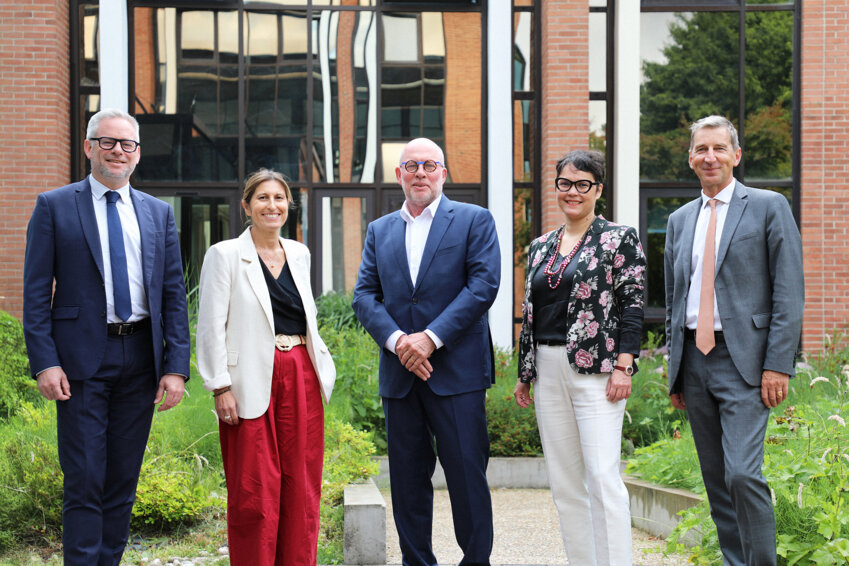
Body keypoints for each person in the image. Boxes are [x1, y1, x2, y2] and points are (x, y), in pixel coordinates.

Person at [22, 108, 190, 565]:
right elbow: (36, 293)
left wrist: (176, 367)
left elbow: (173, 295)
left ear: (138, 154)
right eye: (108, 141)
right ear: (89, 147)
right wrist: (45, 361)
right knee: (84, 477)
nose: (118, 151)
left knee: (121, 478)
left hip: (140, 358)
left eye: (128, 144)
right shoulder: (54, 205)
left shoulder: (158, 214)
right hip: (79, 363)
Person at [352, 138, 500, 566]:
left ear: (443, 173)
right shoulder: (380, 229)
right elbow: (365, 295)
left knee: (467, 477)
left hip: (456, 373)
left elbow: (482, 286)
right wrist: (400, 342)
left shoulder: (474, 220)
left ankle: (476, 561)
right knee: (407, 481)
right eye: (411, 165)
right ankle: (416, 562)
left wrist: (430, 338)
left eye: (429, 165)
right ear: (399, 175)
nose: (420, 173)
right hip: (401, 375)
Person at [664, 116, 804, 566]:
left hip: (745, 362)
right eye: (701, 149)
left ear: (736, 155)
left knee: (743, 474)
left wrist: (778, 363)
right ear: (690, 158)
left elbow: (788, 290)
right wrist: (677, 373)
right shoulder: (679, 220)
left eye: (719, 148)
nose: (710, 157)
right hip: (695, 361)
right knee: (717, 479)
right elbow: (674, 297)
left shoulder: (768, 206)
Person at [196, 168, 336, 566]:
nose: (271, 205)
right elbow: (210, 326)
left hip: (301, 374)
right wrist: (220, 386)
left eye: (279, 198)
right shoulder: (224, 255)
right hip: (248, 381)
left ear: (288, 206)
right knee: (254, 491)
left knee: (302, 487)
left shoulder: (300, 253)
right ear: (246, 205)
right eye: (262, 198)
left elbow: (306, 316)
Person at [513, 149, 646, 566]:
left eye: (583, 184)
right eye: (565, 183)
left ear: (598, 189)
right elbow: (531, 313)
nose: (573, 192)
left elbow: (632, 306)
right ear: (556, 187)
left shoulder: (618, 238)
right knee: (566, 484)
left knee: (603, 478)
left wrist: (625, 364)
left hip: (598, 371)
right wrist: (525, 373)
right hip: (548, 369)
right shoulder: (540, 246)